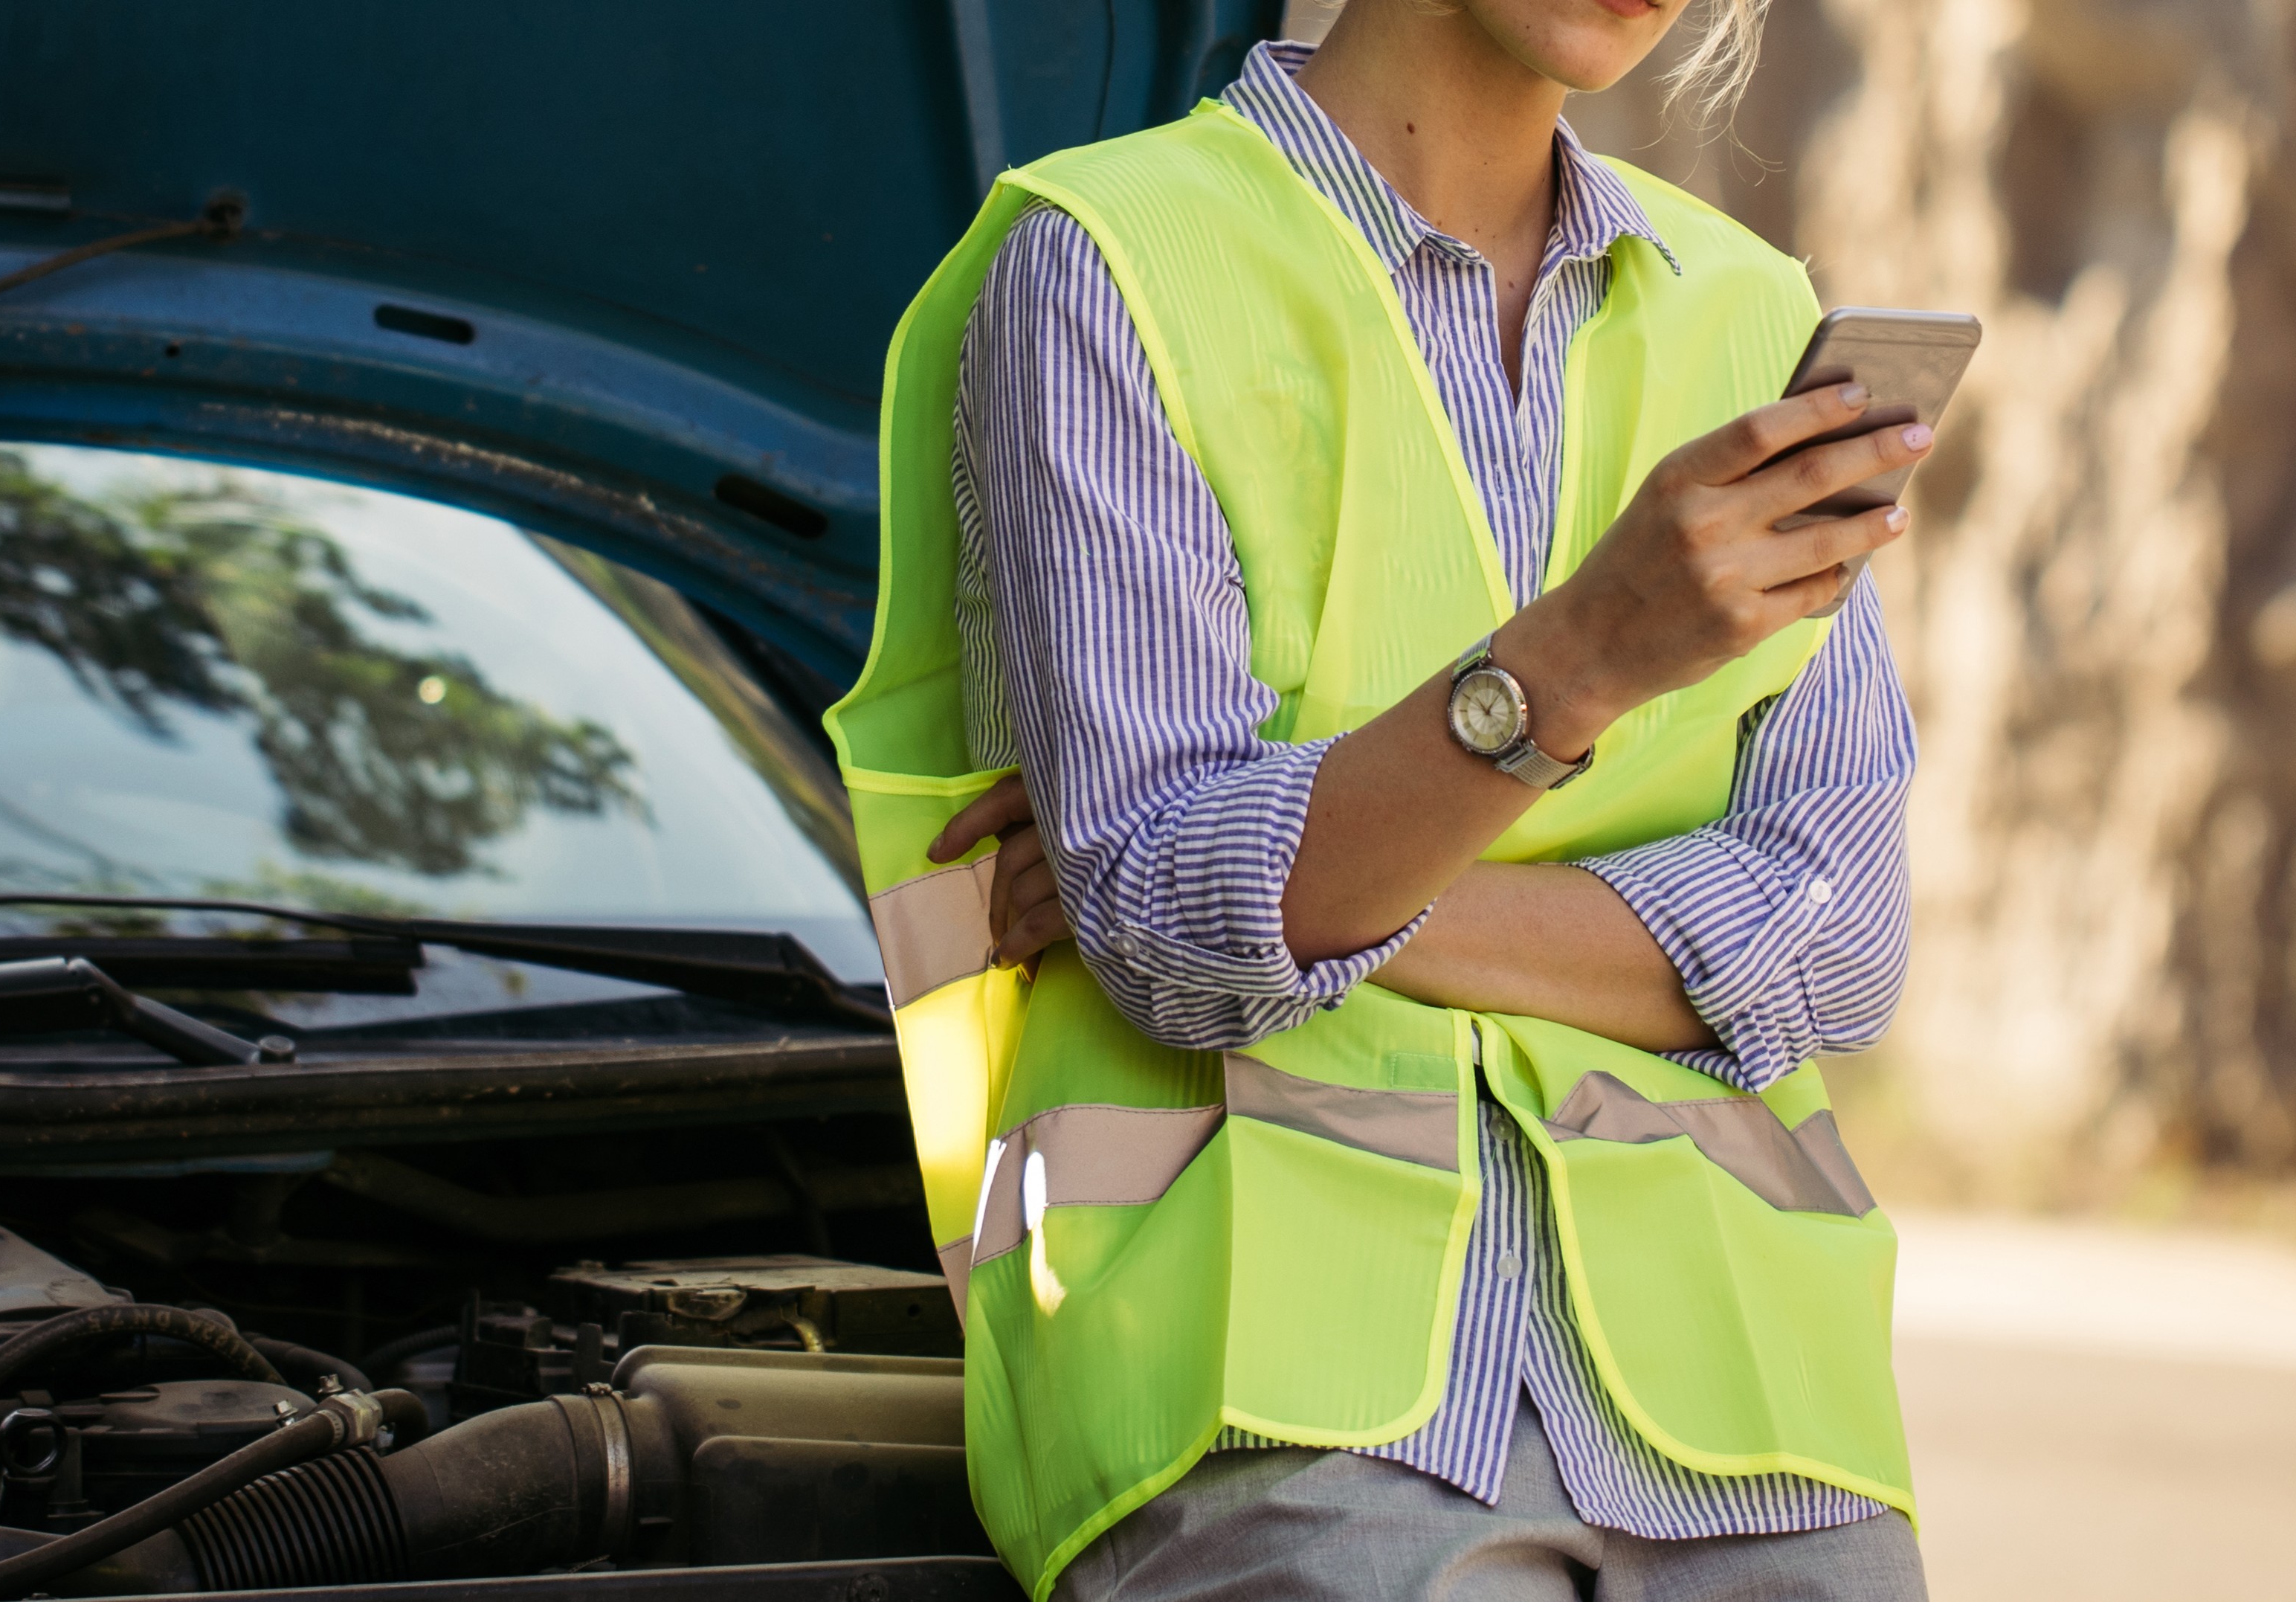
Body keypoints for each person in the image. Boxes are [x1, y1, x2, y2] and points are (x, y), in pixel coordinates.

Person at [822, 1, 1931, 1597]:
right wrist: (1580, 662)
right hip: (1282, 1419)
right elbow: (1180, 939)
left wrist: (1320, 879)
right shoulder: (1111, 262)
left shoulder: (1752, 317)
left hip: (1763, 1438)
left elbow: (1831, 948)